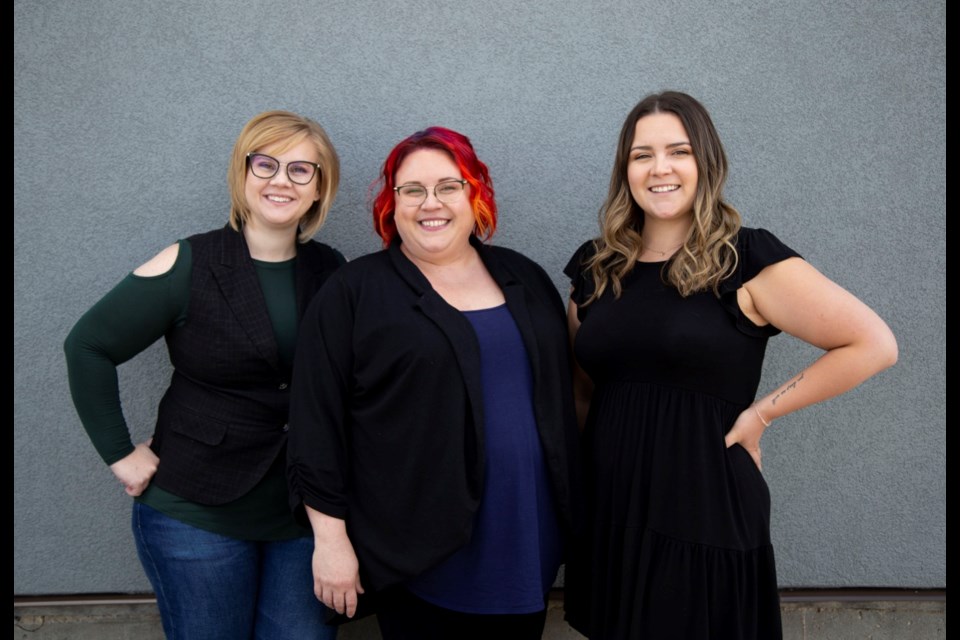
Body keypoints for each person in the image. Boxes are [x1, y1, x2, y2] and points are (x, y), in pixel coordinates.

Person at [562, 91, 898, 639]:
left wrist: (762, 414)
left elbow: (873, 344)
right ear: (626, 170)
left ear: (706, 163)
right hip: (612, 508)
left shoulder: (746, 259)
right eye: (642, 154)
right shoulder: (596, 268)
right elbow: (581, 390)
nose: (660, 168)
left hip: (704, 504)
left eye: (679, 151)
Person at [287, 126, 582, 640]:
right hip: (420, 557)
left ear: (475, 195)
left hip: (526, 543)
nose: (431, 203)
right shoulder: (354, 294)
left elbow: (561, 400)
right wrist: (330, 541)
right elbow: (316, 423)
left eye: (450, 186)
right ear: (391, 203)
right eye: (412, 189)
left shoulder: (525, 278)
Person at [64, 110, 344, 640]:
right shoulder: (188, 261)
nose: (280, 180)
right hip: (195, 515)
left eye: (301, 170)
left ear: (319, 189)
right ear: (242, 174)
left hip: (301, 517)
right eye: (265, 164)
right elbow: (88, 346)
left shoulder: (331, 268)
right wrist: (120, 453)